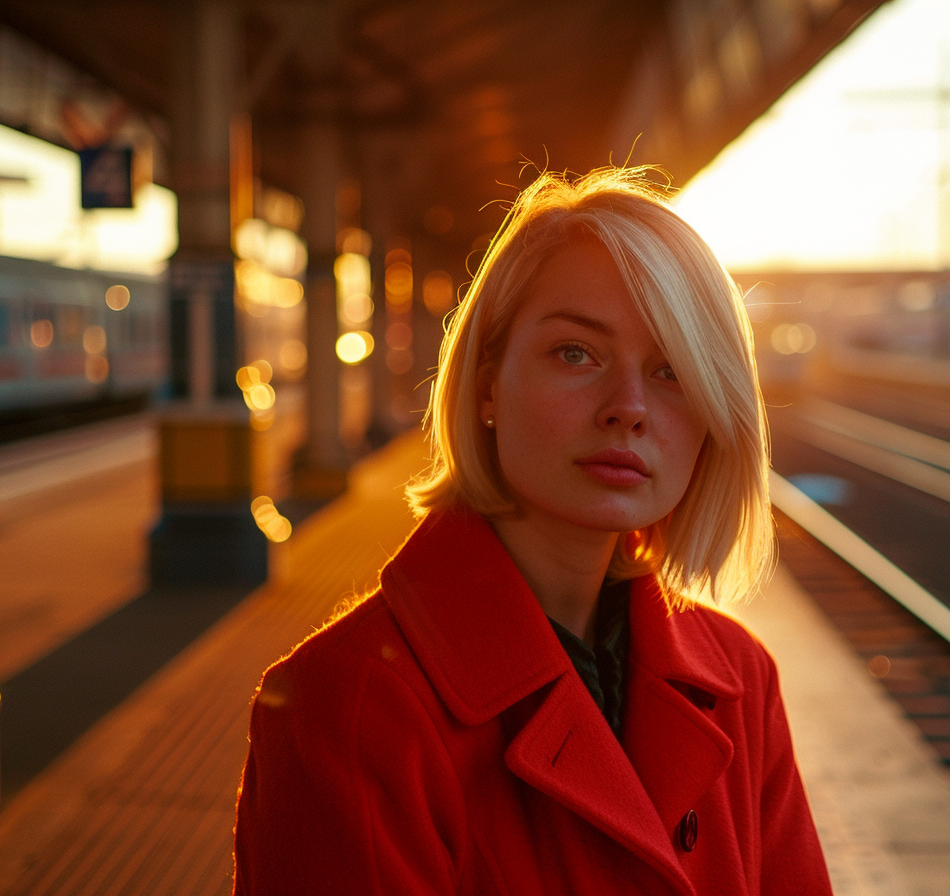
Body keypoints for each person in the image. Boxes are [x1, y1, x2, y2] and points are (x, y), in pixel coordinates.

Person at [232, 167, 832, 895]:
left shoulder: (741, 680)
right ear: (488, 383)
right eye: (576, 353)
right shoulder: (348, 704)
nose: (629, 407)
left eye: (673, 369)